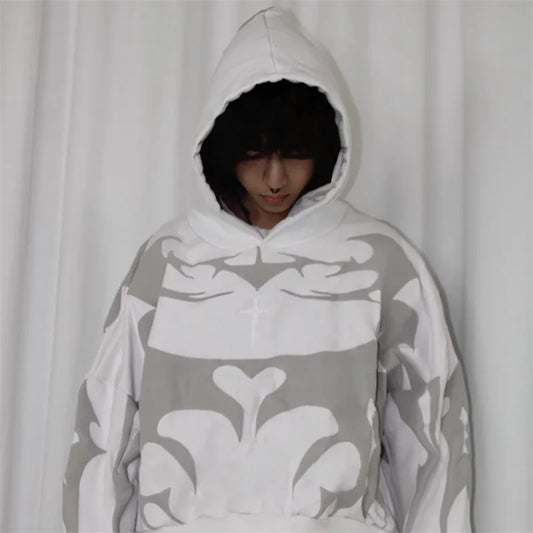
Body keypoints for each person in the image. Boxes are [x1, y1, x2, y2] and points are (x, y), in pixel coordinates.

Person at [63, 7, 472, 532]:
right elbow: (104, 430)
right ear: (221, 148)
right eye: (255, 154)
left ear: (323, 147)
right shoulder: (169, 261)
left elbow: (436, 438)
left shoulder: (379, 260)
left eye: (295, 154)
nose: (275, 178)